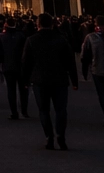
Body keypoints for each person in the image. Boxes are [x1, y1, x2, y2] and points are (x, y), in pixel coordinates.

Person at [21, 13, 79, 151]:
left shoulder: (31, 40)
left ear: (38, 24)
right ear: (52, 24)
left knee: (43, 110)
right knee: (61, 110)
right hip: (59, 79)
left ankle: (49, 137)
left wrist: (25, 80)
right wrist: (74, 81)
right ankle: (61, 136)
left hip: (39, 80)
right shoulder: (61, 39)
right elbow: (70, 62)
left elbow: (25, 63)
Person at [0, 18, 29, 119]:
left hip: (8, 66)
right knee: (23, 89)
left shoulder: (0, 37)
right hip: (21, 66)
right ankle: (24, 110)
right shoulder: (21, 35)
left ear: (6, 24)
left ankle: (14, 112)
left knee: (11, 89)